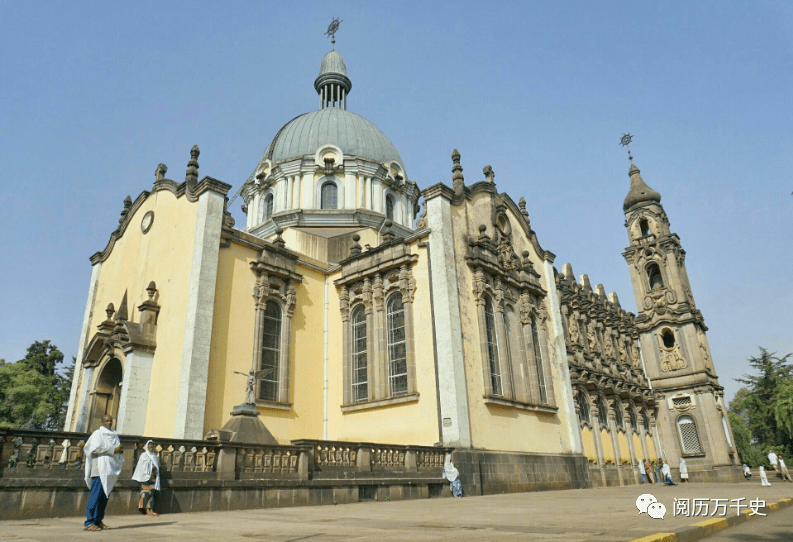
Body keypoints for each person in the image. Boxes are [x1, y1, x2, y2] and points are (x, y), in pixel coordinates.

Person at [84, 415, 124, 531]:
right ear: (102, 422)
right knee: (95, 497)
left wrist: (119, 451)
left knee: (104, 497)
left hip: (110, 469)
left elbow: (117, 448)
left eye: (110, 421)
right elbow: (94, 450)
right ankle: (89, 522)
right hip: (99, 469)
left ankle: (98, 521)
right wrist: (113, 450)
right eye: (106, 420)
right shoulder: (98, 434)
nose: (109, 422)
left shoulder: (114, 435)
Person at [132, 440, 160, 516]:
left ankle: (150, 509)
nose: (151, 449)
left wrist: (155, 468)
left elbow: (157, 465)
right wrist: (150, 467)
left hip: (153, 477)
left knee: (152, 494)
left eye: (153, 447)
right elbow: (142, 466)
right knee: (145, 493)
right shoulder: (144, 455)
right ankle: (144, 508)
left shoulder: (154, 455)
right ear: (147, 447)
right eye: (150, 447)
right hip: (145, 477)